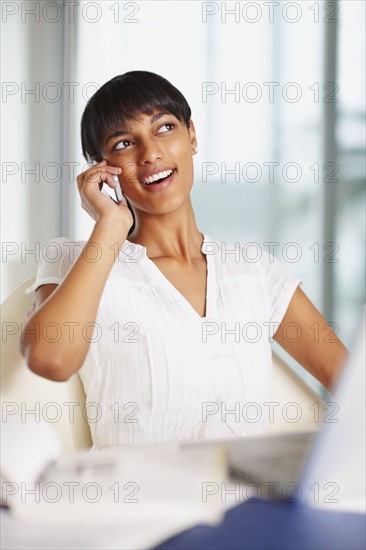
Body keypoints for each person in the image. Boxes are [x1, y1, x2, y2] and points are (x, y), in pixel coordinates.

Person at [21, 71, 347, 449]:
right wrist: (110, 225)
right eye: (124, 143)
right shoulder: (76, 258)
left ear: (192, 135)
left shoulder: (253, 270)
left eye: (164, 128)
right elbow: (52, 360)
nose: (150, 153)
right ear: (103, 169)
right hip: (136, 500)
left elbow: (349, 380)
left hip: (244, 500)